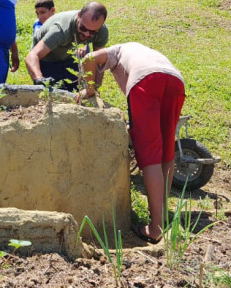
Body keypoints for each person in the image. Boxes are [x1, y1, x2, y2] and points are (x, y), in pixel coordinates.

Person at [77, 42, 185, 244]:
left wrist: (89, 90)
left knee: (150, 153)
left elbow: (89, 59)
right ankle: (162, 214)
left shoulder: (116, 51)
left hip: (146, 81)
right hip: (175, 80)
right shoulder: (140, 50)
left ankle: (155, 228)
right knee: (166, 149)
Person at [25, 1, 109, 92]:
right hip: (47, 59)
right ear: (79, 16)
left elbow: (99, 61)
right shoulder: (60, 30)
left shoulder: (101, 31)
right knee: (50, 94)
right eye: (83, 28)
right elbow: (32, 56)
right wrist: (39, 79)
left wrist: (94, 88)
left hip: (68, 57)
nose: (86, 34)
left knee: (77, 92)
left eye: (92, 32)